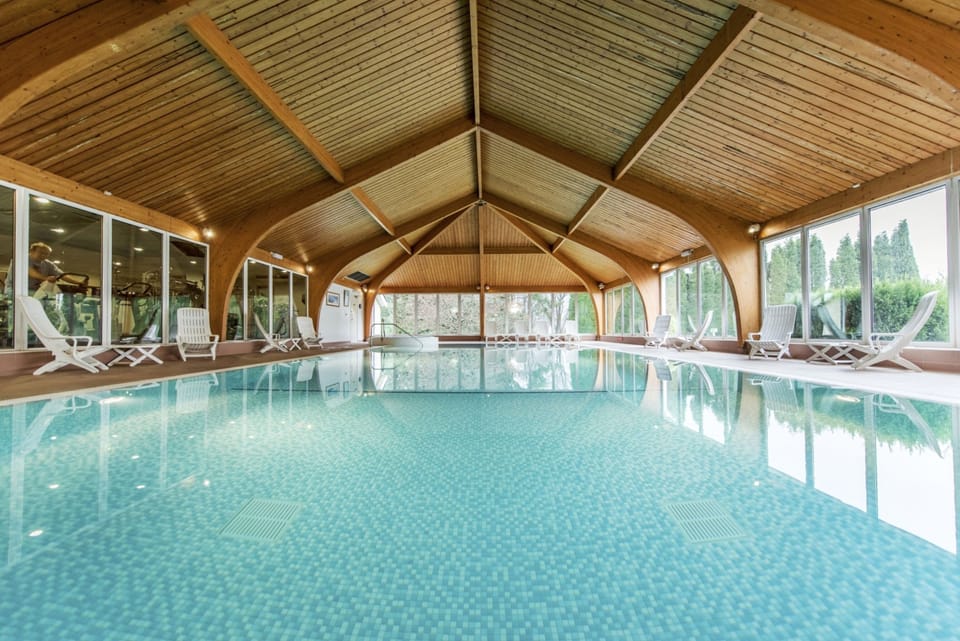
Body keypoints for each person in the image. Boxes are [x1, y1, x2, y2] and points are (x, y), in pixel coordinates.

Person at [7, 241, 88, 296]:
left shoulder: (48, 264)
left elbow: (62, 275)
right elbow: (29, 271)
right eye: (41, 253)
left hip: (34, 293)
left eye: (46, 254)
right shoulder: (20, 259)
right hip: (15, 292)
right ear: (32, 251)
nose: (44, 256)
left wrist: (78, 283)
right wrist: (46, 278)